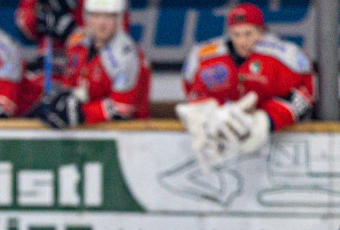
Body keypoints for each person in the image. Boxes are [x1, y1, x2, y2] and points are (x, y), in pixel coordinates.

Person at [177, 3, 315, 170]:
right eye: (236, 34)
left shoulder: (285, 57)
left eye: (248, 34)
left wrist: (266, 121)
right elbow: (193, 92)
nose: (242, 41)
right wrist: (213, 113)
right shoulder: (204, 58)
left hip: (274, 153)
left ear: (261, 30)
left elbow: (304, 96)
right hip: (223, 150)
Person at [32, 0, 150, 129]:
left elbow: (122, 108)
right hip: (88, 133)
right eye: (96, 15)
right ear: (87, 17)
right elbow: (72, 83)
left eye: (109, 16)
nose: (101, 23)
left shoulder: (125, 56)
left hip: (129, 135)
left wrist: (82, 112)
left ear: (119, 19)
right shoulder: (78, 43)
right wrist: (60, 101)